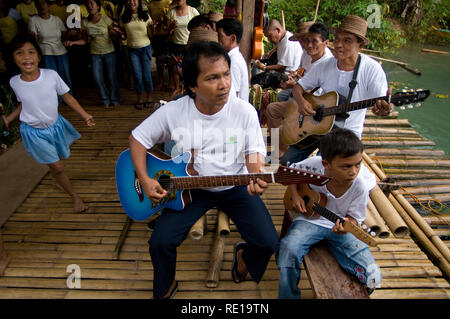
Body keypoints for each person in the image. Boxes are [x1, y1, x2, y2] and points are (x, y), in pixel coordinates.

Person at [129, 41, 279, 299]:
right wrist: (144, 178)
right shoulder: (174, 111)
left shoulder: (244, 111)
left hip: (236, 185)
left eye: (226, 74)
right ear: (192, 86)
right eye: (212, 78)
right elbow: (137, 138)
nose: (224, 84)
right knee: (160, 242)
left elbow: (254, 152)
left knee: (268, 242)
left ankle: (243, 258)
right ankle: (165, 288)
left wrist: (256, 174)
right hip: (191, 189)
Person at [277, 128, 382, 298]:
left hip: (339, 229)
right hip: (310, 221)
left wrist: (348, 225)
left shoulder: (360, 186)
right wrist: (295, 195)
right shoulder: (313, 165)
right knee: (288, 249)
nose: (353, 171)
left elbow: (355, 219)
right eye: (346, 166)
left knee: (373, 277)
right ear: (326, 164)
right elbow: (291, 173)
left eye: (358, 164)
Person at [280, 15, 393, 166]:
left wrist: (385, 109)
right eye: (337, 39)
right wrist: (300, 102)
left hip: (346, 134)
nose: (338, 45)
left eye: (347, 41)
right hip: (315, 127)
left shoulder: (372, 69)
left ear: (360, 46)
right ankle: (276, 157)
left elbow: (381, 105)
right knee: (286, 163)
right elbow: (298, 87)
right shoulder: (324, 65)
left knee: (325, 169)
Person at [2, 34, 95, 213]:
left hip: (55, 126)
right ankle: (74, 196)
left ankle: (57, 178)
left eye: (31, 52)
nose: (26, 57)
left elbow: (67, 96)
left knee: (59, 160)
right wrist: (9, 118)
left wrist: (84, 114)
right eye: (20, 53)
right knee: (58, 168)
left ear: (38, 56)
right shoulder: (14, 82)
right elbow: (24, 104)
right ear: (13, 59)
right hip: (33, 132)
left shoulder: (51, 75)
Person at [265, 22, 333, 157]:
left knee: (285, 114)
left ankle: (284, 145)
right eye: (305, 40)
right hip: (301, 96)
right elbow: (301, 73)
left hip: (313, 105)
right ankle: (279, 145)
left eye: (314, 41)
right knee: (273, 107)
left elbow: (317, 95)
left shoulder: (327, 63)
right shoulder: (307, 54)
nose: (307, 45)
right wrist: (293, 79)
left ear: (325, 43)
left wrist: (296, 89)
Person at [64, 0, 121, 108]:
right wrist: (73, 42)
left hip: (109, 53)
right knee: (97, 78)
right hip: (95, 54)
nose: (89, 6)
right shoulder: (85, 22)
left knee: (111, 78)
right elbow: (85, 40)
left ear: (98, 6)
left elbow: (114, 35)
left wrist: (115, 33)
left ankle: (115, 99)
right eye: (87, 4)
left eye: (92, 3)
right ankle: (105, 100)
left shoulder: (106, 19)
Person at [29, 0, 72, 94]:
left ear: (48, 6)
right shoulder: (34, 20)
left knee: (65, 76)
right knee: (52, 78)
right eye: (38, 4)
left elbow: (64, 35)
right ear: (36, 7)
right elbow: (34, 39)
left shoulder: (56, 19)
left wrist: (70, 33)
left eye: (43, 3)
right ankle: (57, 101)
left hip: (61, 51)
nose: (41, 6)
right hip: (46, 53)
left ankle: (69, 99)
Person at [120, 0, 156, 110]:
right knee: (137, 76)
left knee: (147, 75)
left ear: (138, 2)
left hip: (145, 48)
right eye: (129, 0)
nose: (131, 2)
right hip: (132, 50)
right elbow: (124, 35)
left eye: (134, 0)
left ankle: (149, 97)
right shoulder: (124, 18)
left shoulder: (145, 16)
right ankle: (140, 98)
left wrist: (153, 28)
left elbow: (151, 35)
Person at [251, 19, 302, 89]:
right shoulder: (283, 38)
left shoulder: (288, 43)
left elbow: (281, 67)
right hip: (283, 72)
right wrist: (271, 51)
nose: (269, 39)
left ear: (277, 30)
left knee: (266, 76)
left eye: (270, 36)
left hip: (289, 76)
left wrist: (264, 67)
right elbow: (279, 46)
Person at [165, 0, 199, 96]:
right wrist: (171, 28)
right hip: (175, 44)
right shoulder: (171, 13)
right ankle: (177, 88)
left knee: (189, 66)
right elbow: (167, 33)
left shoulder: (193, 11)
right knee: (175, 67)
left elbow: (198, 27)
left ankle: (190, 86)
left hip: (189, 44)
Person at [217, 18, 249, 102]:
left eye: (220, 36)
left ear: (233, 39)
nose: (218, 40)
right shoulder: (234, 58)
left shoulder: (234, 61)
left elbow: (234, 94)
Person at [147, 0, 171, 91]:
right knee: (159, 59)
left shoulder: (169, 2)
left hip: (168, 35)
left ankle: (171, 82)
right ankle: (160, 81)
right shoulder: (150, 5)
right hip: (156, 35)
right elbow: (149, 21)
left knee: (169, 59)